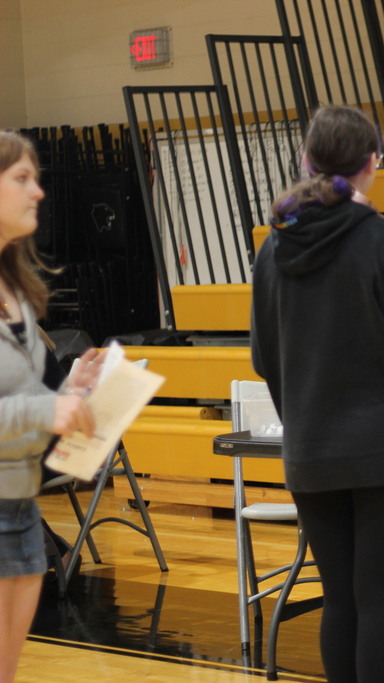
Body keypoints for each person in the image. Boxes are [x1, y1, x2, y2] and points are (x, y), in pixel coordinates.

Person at [250, 105, 384, 683]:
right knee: (380, 597)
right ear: (372, 165)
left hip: (311, 448)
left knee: (339, 598)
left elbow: (265, 359)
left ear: (306, 161)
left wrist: (306, 416)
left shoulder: (271, 251)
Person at [0, 130, 101, 683]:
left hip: (20, 507)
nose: (37, 191)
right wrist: (46, 412)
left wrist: (70, 395)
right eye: (21, 179)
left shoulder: (16, 287)